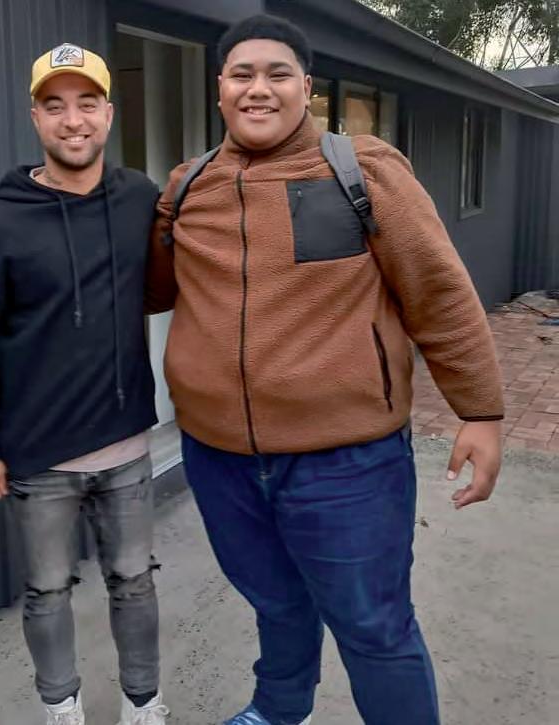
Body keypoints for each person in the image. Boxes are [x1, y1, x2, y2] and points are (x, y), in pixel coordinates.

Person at [146, 14, 503, 725]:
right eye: (242, 74)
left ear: (305, 87)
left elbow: (438, 293)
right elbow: (150, 288)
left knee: (374, 625)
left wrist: (482, 412)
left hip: (347, 463)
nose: (259, 88)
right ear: (219, 89)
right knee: (274, 602)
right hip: (219, 457)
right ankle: (280, 709)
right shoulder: (188, 186)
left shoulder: (361, 171)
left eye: (277, 74)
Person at [0, 43, 169, 725]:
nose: (74, 120)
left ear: (109, 113)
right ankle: (61, 706)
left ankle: (142, 703)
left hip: (126, 446)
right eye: (56, 105)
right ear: (36, 117)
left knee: (134, 583)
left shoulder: (139, 200)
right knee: (47, 591)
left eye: (87, 103)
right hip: (38, 457)